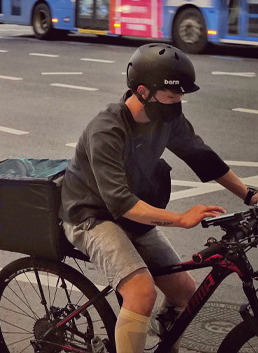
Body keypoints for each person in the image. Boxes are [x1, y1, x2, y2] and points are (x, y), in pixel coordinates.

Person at [60, 43, 258, 353]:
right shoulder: (107, 129)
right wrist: (180, 219)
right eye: (171, 96)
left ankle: (161, 344)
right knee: (141, 292)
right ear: (143, 91)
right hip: (91, 216)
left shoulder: (165, 119)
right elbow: (120, 202)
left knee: (185, 292)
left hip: (132, 214)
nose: (178, 103)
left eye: (181, 96)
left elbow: (203, 157)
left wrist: (249, 195)